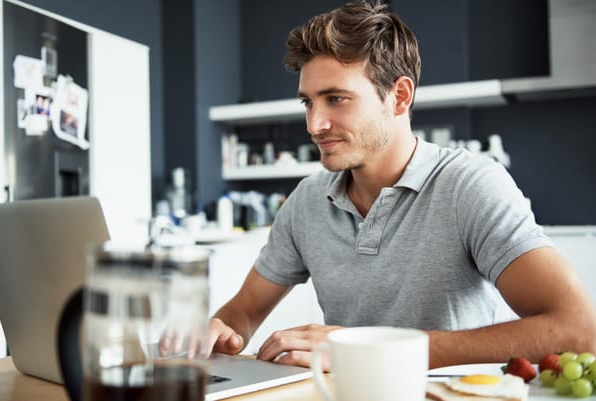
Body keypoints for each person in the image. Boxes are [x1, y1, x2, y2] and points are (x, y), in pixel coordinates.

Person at [204, 0, 596, 369]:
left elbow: (579, 329)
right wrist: (218, 332)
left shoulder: (469, 186)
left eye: (336, 99)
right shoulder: (307, 201)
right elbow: (242, 313)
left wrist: (368, 350)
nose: (314, 125)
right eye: (308, 102)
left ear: (400, 96)